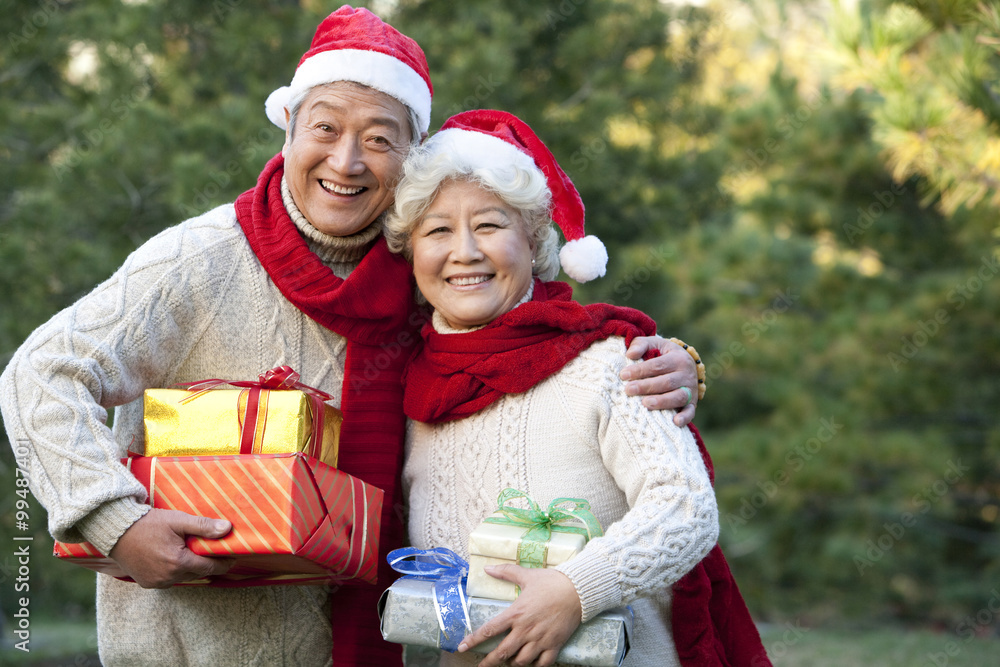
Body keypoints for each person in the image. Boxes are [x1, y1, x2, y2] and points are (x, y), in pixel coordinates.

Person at [0, 7, 703, 667]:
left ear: (410, 157)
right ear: (289, 130)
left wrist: (675, 368)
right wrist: (114, 519)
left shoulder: (422, 274)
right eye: (327, 129)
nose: (347, 161)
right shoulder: (200, 260)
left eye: (379, 139)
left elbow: (536, 341)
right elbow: (39, 375)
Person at [385, 110, 769, 667]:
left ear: (534, 239)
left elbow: (686, 508)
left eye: (490, 225)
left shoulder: (606, 362)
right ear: (413, 252)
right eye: (438, 229)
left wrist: (574, 589)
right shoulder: (409, 388)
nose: (464, 251)